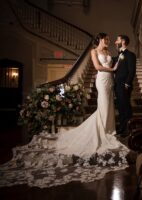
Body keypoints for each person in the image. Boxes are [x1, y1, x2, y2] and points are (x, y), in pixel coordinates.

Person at [0, 33, 130, 188]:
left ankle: (108, 129)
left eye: (109, 39)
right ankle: (101, 131)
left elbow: (114, 64)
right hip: (102, 79)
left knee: (109, 105)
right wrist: (113, 68)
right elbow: (96, 67)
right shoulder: (94, 52)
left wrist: (115, 68)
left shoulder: (109, 53)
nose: (108, 41)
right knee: (102, 105)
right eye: (106, 39)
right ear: (99, 40)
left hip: (109, 81)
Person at [114, 34, 136, 136]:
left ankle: (128, 129)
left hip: (124, 85)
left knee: (126, 107)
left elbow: (131, 71)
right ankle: (122, 128)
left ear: (123, 41)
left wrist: (127, 83)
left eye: (117, 39)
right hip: (117, 85)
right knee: (120, 107)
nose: (115, 41)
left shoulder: (130, 55)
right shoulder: (118, 55)